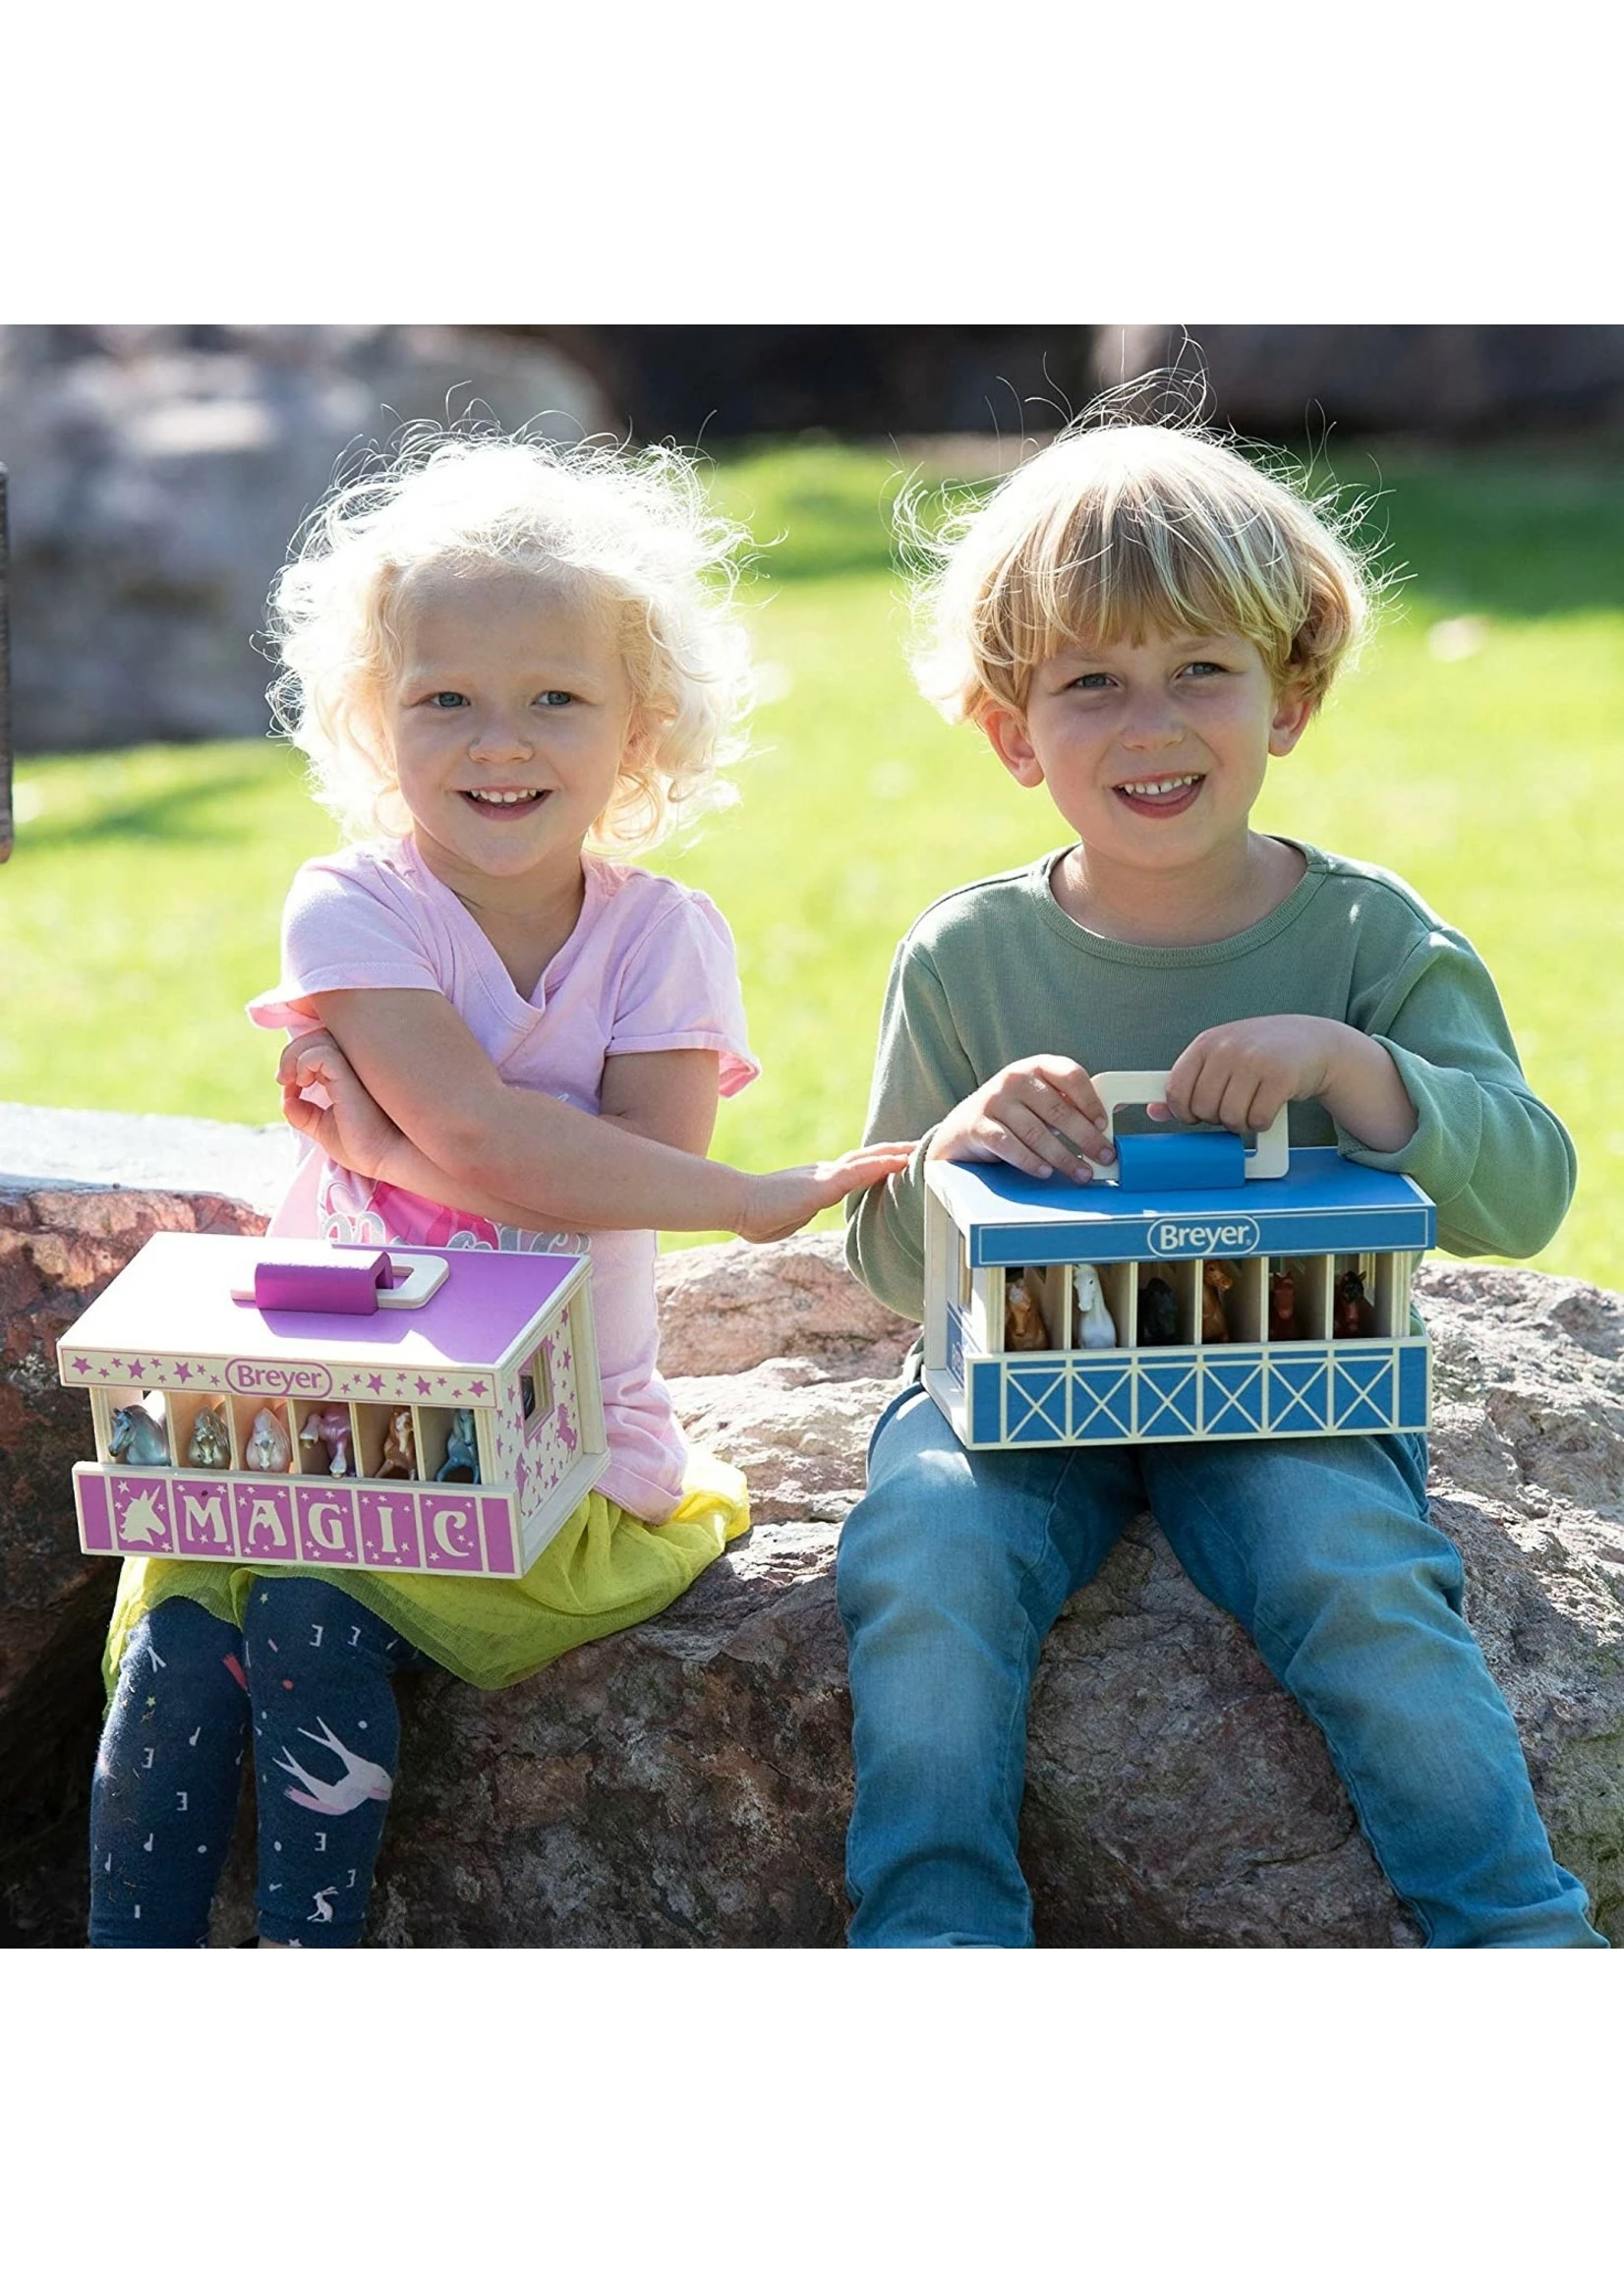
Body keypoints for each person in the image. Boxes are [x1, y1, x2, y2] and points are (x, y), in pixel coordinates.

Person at [88, 427, 910, 1949]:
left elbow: (609, 1184)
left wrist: (385, 1157)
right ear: (373, 717)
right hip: (337, 1422)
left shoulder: (661, 938)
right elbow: (484, 1136)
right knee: (183, 1633)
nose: (498, 744)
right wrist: (728, 1193)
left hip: (549, 1445)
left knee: (309, 1614)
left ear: (641, 729)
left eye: (555, 700)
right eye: (445, 700)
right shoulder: (353, 905)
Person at [839, 407, 1607, 1949]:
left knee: (1356, 1569)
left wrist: (1353, 1066)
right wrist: (953, 1147)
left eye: (1202, 669)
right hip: (1020, 1387)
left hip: (1289, 1381)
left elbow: (1527, 1193)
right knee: (925, 1558)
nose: (1151, 726)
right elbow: (883, 1257)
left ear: (1289, 699)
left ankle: (1520, 1932)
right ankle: (934, 1935)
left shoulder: (1370, 940)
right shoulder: (969, 954)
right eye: (1090, 683)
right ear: (1011, 732)